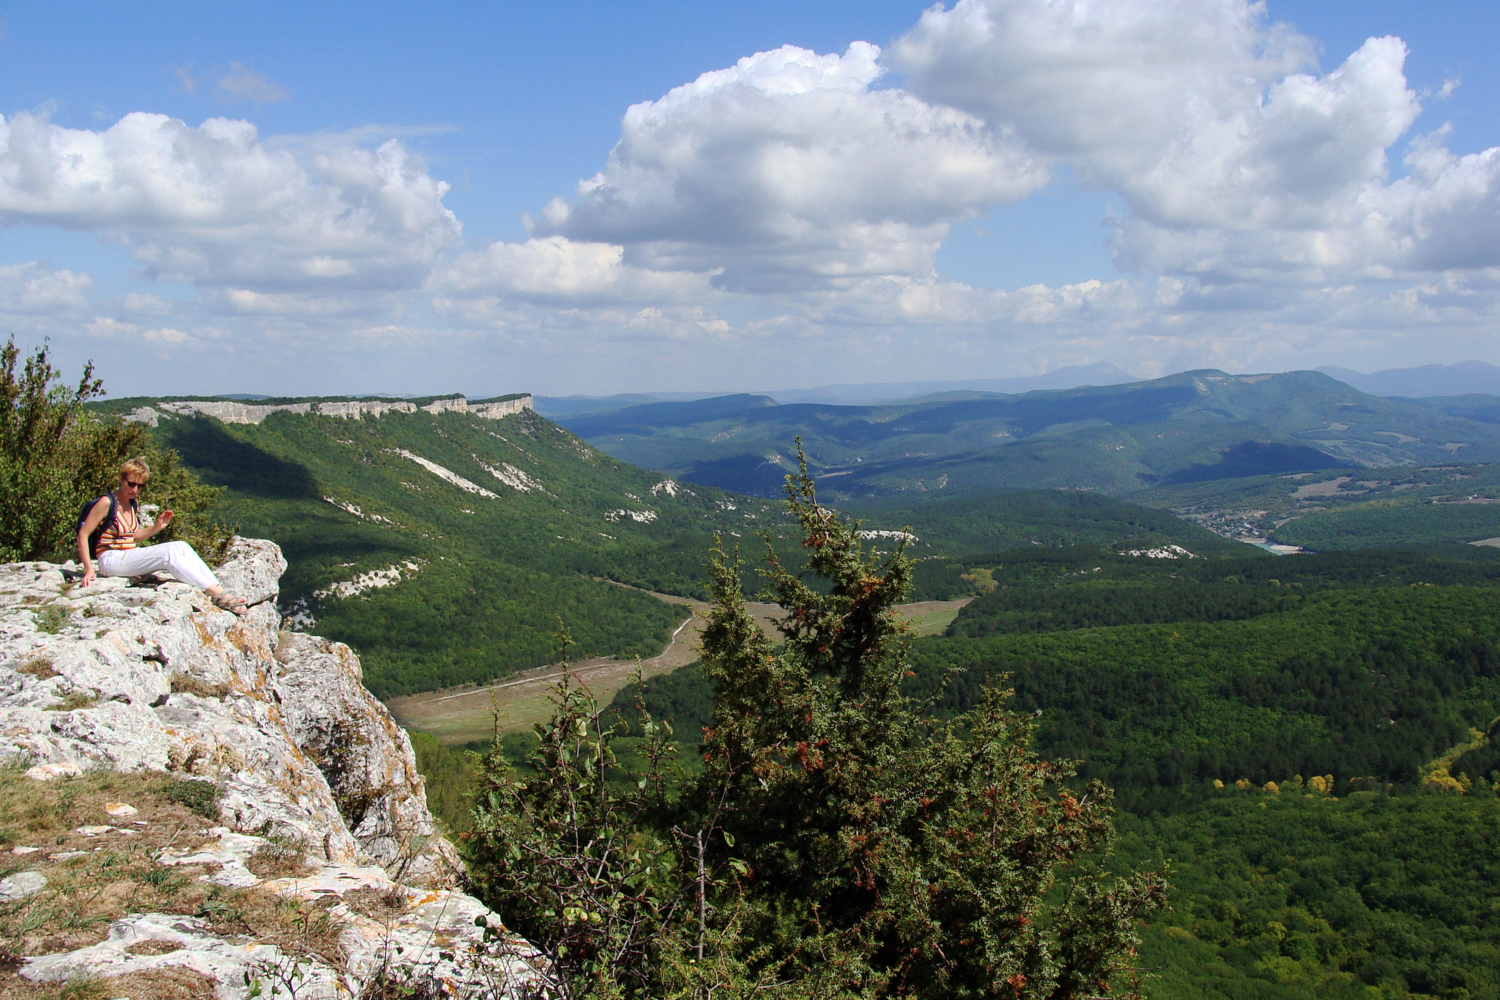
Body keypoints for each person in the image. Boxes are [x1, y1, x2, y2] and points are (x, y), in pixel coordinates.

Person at [76, 457, 248, 616]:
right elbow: (83, 535)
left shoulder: (132, 503)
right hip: (110, 559)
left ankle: (219, 590)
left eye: (140, 486)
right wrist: (88, 569)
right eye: (130, 484)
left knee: (180, 546)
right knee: (168, 556)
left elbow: (132, 536)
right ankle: (217, 595)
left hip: (127, 554)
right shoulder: (107, 502)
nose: (134, 490)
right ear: (121, 479)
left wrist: (157, 527)